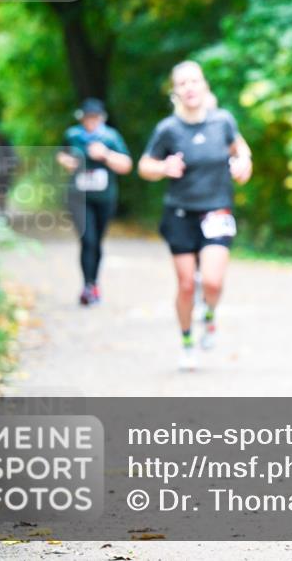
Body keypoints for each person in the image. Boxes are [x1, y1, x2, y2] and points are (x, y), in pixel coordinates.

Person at [138, 61, 252, 370]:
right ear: (175, 92)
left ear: (204, 86)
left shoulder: (222, 121)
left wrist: (244, 164)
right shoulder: (168, 129)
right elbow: (144, 166)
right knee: (187, 284)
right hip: (180, 212)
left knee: (212, 282)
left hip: (217, 209)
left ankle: (210, 315)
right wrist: (163, 168)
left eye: (194, 81)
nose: (189, 87)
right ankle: (187, 341)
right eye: (182, 83)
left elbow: (241, 150)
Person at [56, 98, 133, 306]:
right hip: (79, 198)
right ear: (82, 118)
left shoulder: (110, 137)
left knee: (97, 241)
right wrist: (67, 161)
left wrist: (105, 155)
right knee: (87, 240)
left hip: (104, 198)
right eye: (88, 118)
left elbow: (126, 165)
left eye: (95, 118)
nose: (91, 122)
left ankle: (94, 282)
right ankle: (88, 286)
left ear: (101, 118)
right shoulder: (72, 135)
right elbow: (60, 155)